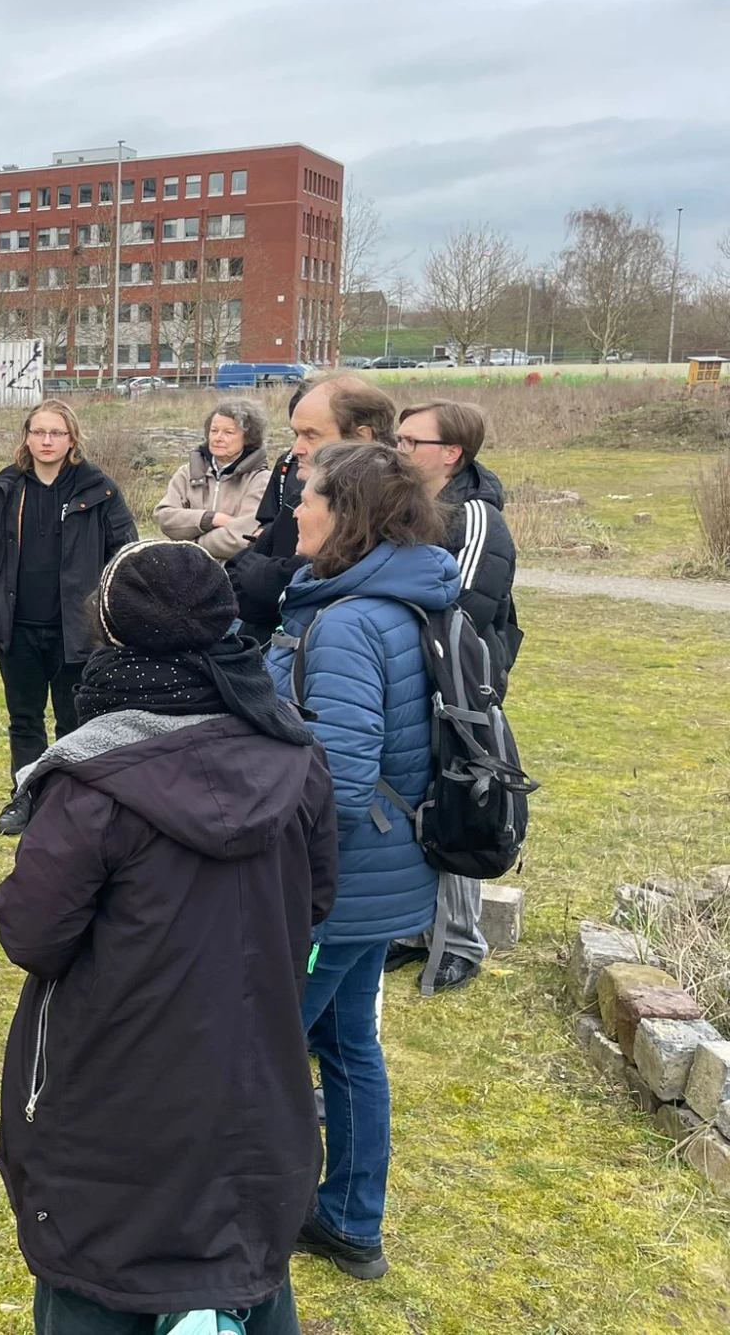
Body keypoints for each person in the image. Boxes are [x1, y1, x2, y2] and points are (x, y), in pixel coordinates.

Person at [0, 540, 336, 1335]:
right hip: (260, 1091)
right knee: (243, 1272)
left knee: (98, 1290)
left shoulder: (91, 784)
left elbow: (34, 933)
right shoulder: (296, 755)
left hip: (116, 1107)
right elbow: (316, 900)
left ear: (110, 636)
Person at [265, 441, 457, 1282]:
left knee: (260, 1049)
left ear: (347, 516)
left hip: (340, 885)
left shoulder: (347, 623)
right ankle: (349, 1221)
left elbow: (336, 783)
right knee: (350, 1051)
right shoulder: (410, 597)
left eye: (308, 498)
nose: (296, 511)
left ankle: (233, 1212)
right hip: (394, 871)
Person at [385, 399, 522, 996]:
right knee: (414, 799)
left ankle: (463, 940)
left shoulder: (476, 518)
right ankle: (415, 931)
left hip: (458, 686)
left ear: (450, 453)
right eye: (398, 439)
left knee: (460, 796)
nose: (400, 450)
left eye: (412, 442)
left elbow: (459, 610)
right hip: (409, 673)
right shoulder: (409, 502)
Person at [0, 399, 138, 837]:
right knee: (24, 720)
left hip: (77, 632)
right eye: (38, 432)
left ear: (71, 438)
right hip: (18, 627)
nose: (46, 441)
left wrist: (115, 621)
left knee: (73, 720)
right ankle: (24, 797)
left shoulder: (99, 489)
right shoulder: (6, 489)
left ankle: (71, 803)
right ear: (26, 436)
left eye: (56, 433)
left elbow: (124, 555)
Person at [227, 375, 397, 640]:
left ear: (362, 437)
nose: (296, 450)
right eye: (296, 434)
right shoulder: (300, 497)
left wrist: (268, 576)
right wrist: (273, 576)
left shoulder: (398, 513)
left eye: (310, 435)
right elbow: (237, 581)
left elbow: (301, 592)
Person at [153, 398, 271, 559]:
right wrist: (210, 519)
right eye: (214, 431)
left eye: (228, 432)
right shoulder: (187, 473)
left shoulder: (260, 480)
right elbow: (165, 517)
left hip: (232, 574)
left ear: (248, 438)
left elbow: (244, 537)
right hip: (186, 570)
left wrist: (190, 545)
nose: (218, 438)